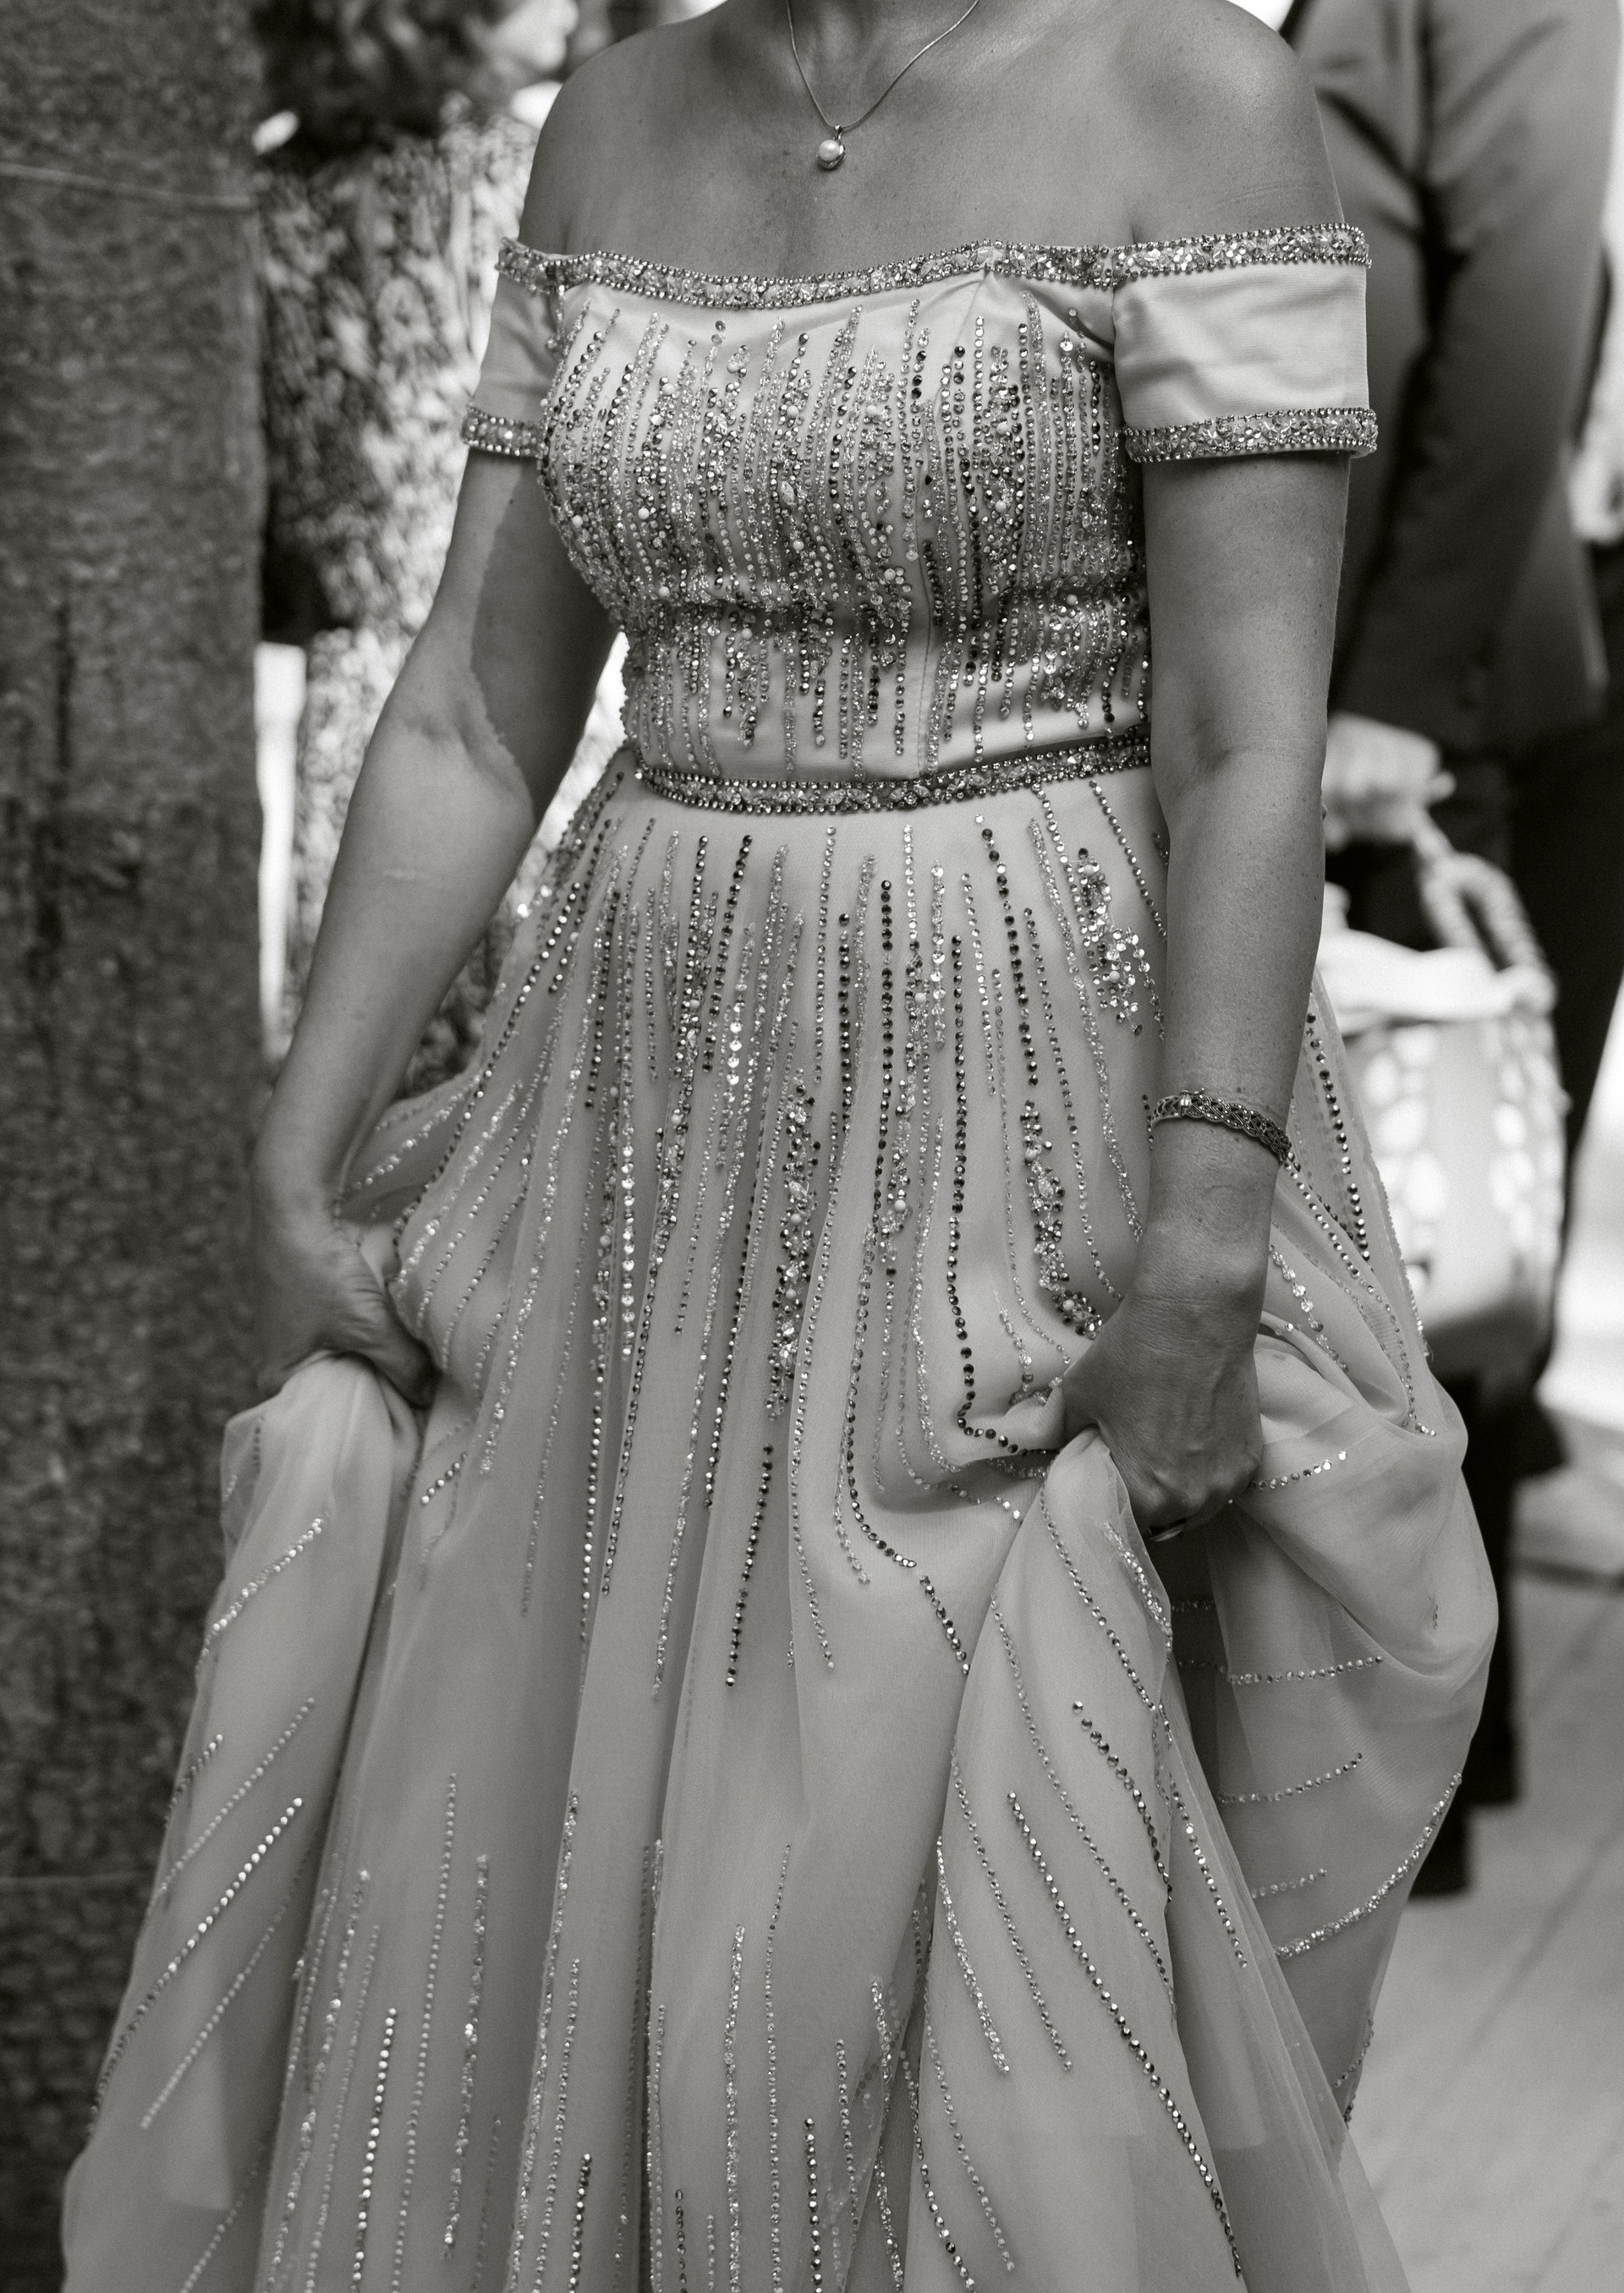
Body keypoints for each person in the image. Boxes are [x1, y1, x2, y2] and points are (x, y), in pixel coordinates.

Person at [63, 0, 1495, 2285]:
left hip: (1034, 1135)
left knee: (929, 1871)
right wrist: (296, 1148)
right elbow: (475, 707)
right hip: (640, 1127)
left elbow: (1247, 744)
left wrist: (1210, 1241)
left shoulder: (1196, 96)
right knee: (576, 1860)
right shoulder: (615, 118)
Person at [1281, 0, 1619, 1889]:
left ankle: (1413, 1777)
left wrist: (1401, 694)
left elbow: (1526, 317)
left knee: (1415, 1250)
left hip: (1425, 711)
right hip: (1301, 683)